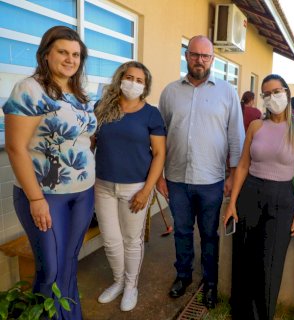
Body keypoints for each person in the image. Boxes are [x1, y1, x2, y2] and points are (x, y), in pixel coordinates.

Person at [3, 26, 96, 319]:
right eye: (63, 52)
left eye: (76, 54)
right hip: (45, 195)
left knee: (68, 262)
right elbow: (15, 148)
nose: (70, 59)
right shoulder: (29, 89)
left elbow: (84, 137)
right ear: (46, 54)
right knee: (51, 269)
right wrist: (35, 199)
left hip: (82, 193)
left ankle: (71, 316)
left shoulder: (79, 93)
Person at [156, 35, 245, 309]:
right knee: (182, 231)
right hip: (177, 179)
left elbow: (236, 137)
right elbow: (159, 137)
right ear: (186, 56)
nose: (200, 60)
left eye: (205, 56)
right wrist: (159, 175)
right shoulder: (170, 92)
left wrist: (232, 176)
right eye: (195, 54)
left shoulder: (227, 92)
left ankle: (210, 283)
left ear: (213, 60)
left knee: (209, 235)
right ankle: (183, 276)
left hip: (211, 180)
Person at [224, 74, 294, 320]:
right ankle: (240, 313)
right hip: (249, 194)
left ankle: (263, 315)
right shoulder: (256, 126)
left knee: (270, 264)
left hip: (282, 198)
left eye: (276, 91)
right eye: (267, 94)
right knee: (243, 257)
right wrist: (232, 203)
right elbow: (243, 165)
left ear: (286, 91)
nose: (272, 97)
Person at [93, 61, 166, 311]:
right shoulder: (102, 108)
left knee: (131, 241)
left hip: (134, 188)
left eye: (139, 80)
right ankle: (118, 282)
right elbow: (90, 143)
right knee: (111, 240)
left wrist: (147, 190)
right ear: (119, 79)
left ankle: (131, 285)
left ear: (145, 86)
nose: (133, 83)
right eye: (129, 77)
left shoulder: (151, 114)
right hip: (102, 186)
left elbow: (159, 154)